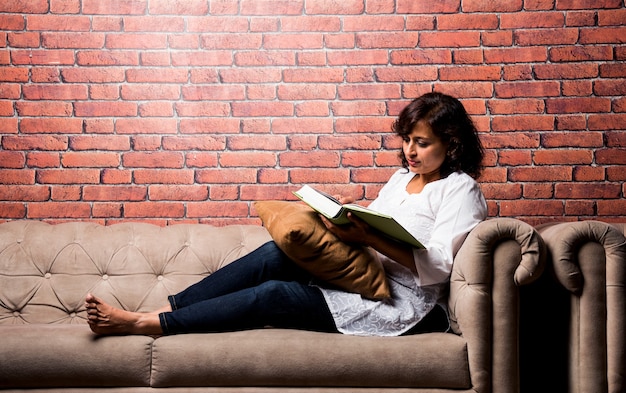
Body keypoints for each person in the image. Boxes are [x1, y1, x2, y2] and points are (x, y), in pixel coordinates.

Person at [85, 92, 488, 337]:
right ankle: (165, 310)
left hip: (403, 303)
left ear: (451, 145)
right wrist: (344, 221)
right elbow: (376, 224)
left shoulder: (460, 190)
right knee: (278, 254)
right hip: (364, 274)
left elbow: (442, 267)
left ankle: (145, 325)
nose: (410, 152)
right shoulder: (400, 179)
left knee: (274, 295)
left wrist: (370, 238)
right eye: (406, 141)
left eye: (422, 143)